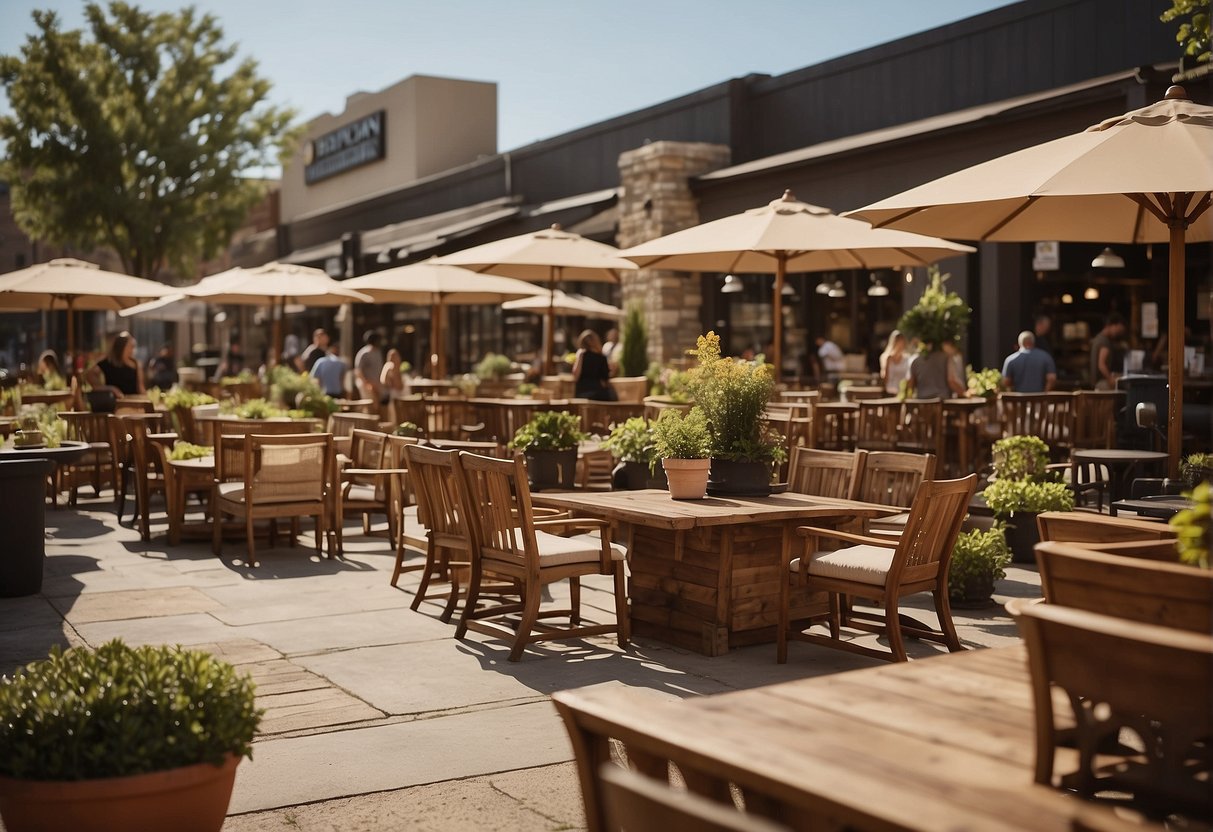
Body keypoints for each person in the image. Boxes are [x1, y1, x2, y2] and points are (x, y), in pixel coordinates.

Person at [87, 331, 144, 396]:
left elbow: (141, 388)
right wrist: (109, 388)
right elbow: (89, 375)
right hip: (113, 402)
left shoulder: (136, 364)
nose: (132, 350)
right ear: (121, 347)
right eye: (130, 347)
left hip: (132, 402)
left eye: (133, 347)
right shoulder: (108, 362)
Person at [573, 329, 617, 401]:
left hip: (581, 393)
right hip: (598, 393)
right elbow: (605, 378)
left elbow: (575, 376)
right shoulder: (601, 358)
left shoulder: (581, 356)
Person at [1089, 312, 1126, 390]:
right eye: (1118, 330)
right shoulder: (1104, 341)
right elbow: (1101, 364)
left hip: (1096, 383)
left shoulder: (1098, 338)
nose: (1117, 333)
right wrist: (1110, 379)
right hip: (1101, 383)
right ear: (1113, 325)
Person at [354, 330, 386, 404]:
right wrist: (367, 384)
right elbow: (358, 371)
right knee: (370, 406)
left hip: (377, 385)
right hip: (367, 385)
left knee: (379, 406)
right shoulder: (364, 353)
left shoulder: (378, 352)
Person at [878, 330, 910, 395]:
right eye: (898, 342)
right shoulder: (885, 357)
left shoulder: (907, 358)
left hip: (902, 393)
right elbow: (884, 377)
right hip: (890, 392)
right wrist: (887, 362)